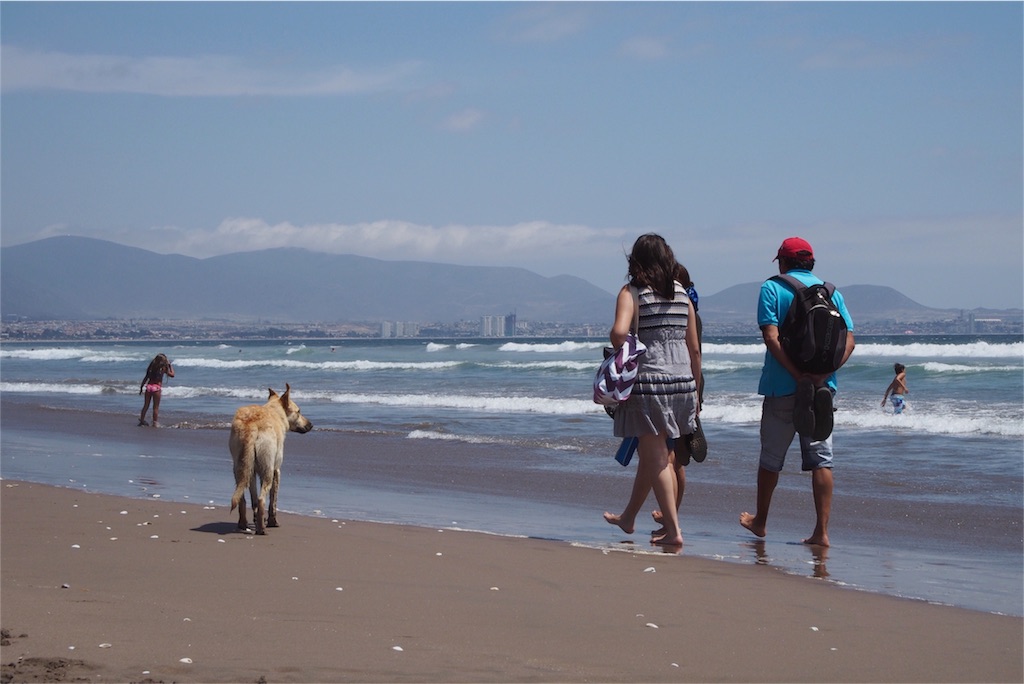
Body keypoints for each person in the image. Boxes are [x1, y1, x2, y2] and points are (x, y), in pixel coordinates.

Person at [739, 237, 855, 548]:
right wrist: (820, 376)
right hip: (821, 391)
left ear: (783, 262)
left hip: (781, 387)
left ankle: (761, 521)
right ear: (811, 262)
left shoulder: (772, 288)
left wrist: (796, 375)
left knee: (771, 459)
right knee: (821, 461)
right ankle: (822, 532)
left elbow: (771, 337)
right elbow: (850, 342)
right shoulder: (832, 293)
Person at [603, 234, 702, 547]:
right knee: (652, 455)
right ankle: (629, 517)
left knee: (656, 456)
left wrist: (628, 343)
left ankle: (673, 531)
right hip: (683, 381)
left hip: (649, 382)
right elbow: (695, 349)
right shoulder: (682, 294)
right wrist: (697, 391)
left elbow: (619, 333)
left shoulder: (631, 292)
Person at [651, 261, 704, 537]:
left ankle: (671, 521)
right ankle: (670, 517)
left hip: (671, 391)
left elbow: (693, 351)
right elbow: (696, 354)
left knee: (670, 458)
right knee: (676, 459)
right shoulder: (689, 307)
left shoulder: (676, 307)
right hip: (688, 390)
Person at [139, 353, 174, 427]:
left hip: (148, 387)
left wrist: (141, 388)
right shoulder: (163, 368)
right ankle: (155, 422)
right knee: (155, 407)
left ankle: (142, 420)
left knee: (146, 405)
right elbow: (172, 375)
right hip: (156, 388)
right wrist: (170, 366)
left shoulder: (151, 368)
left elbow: (145, 378)